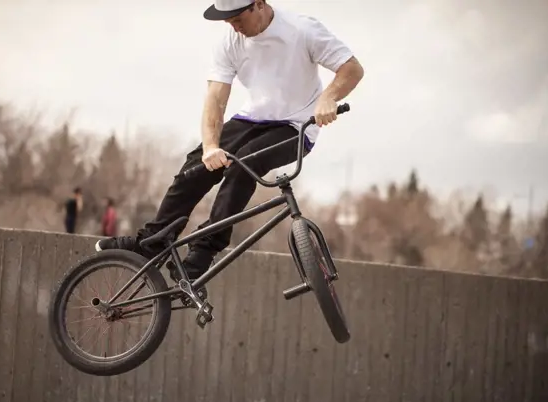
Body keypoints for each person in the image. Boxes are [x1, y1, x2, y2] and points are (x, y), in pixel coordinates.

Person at [95, 0, 364, 280]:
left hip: (296, 126)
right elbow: (215, 99)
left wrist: (329, 97)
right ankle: (152, 241)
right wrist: (211, 147)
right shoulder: (230, 42)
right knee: (196, 166)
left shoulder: (302, 29)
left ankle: (204, 250)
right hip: (252, 118)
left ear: (258, 5)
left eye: (237, 18)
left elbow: (352, 68)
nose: (232, 25)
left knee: (246, 163)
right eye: (227, 20)